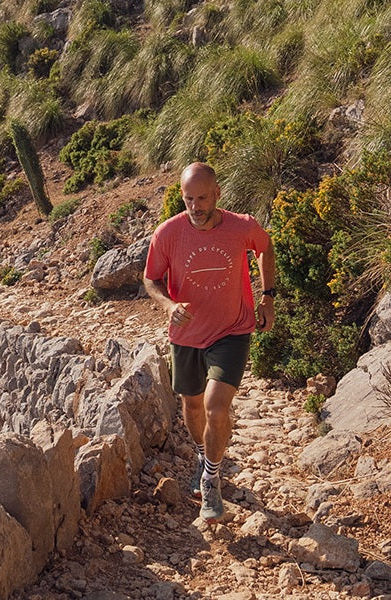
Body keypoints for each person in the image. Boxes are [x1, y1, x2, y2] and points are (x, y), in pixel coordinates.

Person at [143, 162, 275, 522]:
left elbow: (264, 247)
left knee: (217, 407)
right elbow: (150, 279)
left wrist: (268, 297)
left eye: (202, 198)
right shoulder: (167, 234)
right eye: (189, 199)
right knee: (193, 405)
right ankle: (204, 456)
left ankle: (211, 479)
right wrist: (169, 306)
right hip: (186, 334)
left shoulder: (241, 226)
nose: (196, 206)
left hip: (232, 330)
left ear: (217, 194)